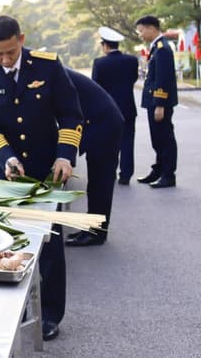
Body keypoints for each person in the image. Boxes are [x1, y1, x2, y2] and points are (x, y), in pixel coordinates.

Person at [0, 15, 83, 341]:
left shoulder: (47, 66)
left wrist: (65, 154)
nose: (4, 60)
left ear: (21, 38)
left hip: (47, 170)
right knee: (7, 243)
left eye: (9, 52)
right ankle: (11, 312)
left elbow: (71, 114)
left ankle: (49, 314)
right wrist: (6, 158)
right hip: (5, 172)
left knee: (48, 243)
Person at [64, 68, 123, 247]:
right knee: (97, 181)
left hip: (104, 124)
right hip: (97, 122)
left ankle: (96, 233)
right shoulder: (50, 70)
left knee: (101, 181)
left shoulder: (50, 72)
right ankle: (93, 228)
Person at [91, 27, 139, 185]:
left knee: (109, 143)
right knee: (127, 142)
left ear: (105, 45)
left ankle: (110, 172)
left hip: (108, 110)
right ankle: (125, 175)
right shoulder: (132, 60)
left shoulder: (99, 63)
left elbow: (96, 88)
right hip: (128, 107)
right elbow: (133, 79)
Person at [135, 15, 178, 188]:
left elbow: (163, 79)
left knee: (164, 139)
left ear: (151, 28)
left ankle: (168, 175)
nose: (140, 35)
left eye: (141, 30)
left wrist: (160, 104)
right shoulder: (156, 48)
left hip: (160, 103)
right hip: (155, 101)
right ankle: (158, 170)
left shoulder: (162, 49)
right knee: (157, 139)